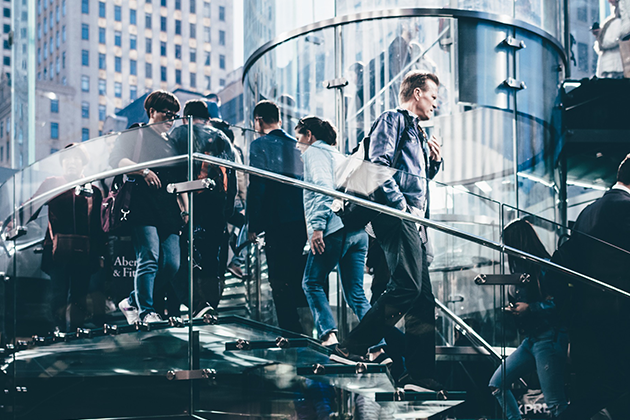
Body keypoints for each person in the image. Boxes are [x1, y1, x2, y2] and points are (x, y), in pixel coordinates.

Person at [329, 71, 444, 393]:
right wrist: (400, 207)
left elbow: (417, 180)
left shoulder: (418, 133)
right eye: (434, 97)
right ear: (418, 93)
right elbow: (378, 165)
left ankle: (421, 376)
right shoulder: (393, 119)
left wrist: (434, 162)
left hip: (414, 218)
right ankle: (351, 346)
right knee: (407, 286)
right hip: (397, 214)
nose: (436, 104)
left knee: (423, 300)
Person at [295, 116, 390, 364]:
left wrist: (316, 228)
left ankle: (329, 336)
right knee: (356, 293)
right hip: (357, 232)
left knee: (311, 282)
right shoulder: (339, 155)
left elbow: (323, 187)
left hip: (333, 228)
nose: (297, 146)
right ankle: (378, 348)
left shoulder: (315, 151)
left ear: (308, 135)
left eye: (298, 138)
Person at [554, 154, 630, 420]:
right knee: (618, 380)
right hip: (618, 313)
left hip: (587, 314)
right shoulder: (624, 207)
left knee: (601, 383)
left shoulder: (588, 210)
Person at [110, 90, 185, 324]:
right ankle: (146, 311)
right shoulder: (137, 131)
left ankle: (132, 301)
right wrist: (143, 170)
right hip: (143, 204)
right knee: (149, 256)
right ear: (152, 111)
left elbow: (179, 180)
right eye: (166, 114)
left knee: (171, 264)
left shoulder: (172, 142)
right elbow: (116, 161)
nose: (171, 119)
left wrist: (185, 208)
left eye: (174, 115)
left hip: (168, 208)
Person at [488, 219, 568, 420]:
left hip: (548, 339)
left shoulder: (544, 268)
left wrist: (529, 308)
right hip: (531, 340)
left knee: (555, 403)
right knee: (497, 383)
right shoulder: (523, 272)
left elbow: (563, 305)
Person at [247, 100, 309, 334]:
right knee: (294, 273)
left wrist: (254, 224)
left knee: (278, 277)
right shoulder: (295, 144)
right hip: (299, 219)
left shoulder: (259, 145)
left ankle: (290, 330)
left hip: (275, 220)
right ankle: (303, 327)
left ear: (258, 120)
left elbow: (257, 185)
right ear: (279, 120)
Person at [170, 100, 237, 315]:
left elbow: (171, 172)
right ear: (207, 117)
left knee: (180, 258)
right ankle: (209, 306)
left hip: (185, 206)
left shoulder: (178, 134)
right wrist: (227, 210)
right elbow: (232, 177)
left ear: (184, 117)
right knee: (211, 260)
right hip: (216, 208)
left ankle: (190, 305)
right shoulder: (221, 137)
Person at [35, 143, 106, 332]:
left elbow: (98, 227)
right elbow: (31, 206)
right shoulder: (52, 183)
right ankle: (58, 332)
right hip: (56, 249)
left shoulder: (94, 189)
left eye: (76, 158)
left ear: (83, 163)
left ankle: (75, 333)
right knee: (58, 293)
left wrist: (100, 254)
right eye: (67, 158)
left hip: (84, 251)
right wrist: (13, 223)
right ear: (62, 162)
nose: (71, 162)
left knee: (80, 295)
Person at [594, 0, 630, 78]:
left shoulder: (618, 22)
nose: (609, 2)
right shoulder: (614, 21)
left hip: (615, 66)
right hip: (612, 66)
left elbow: (625, 31)